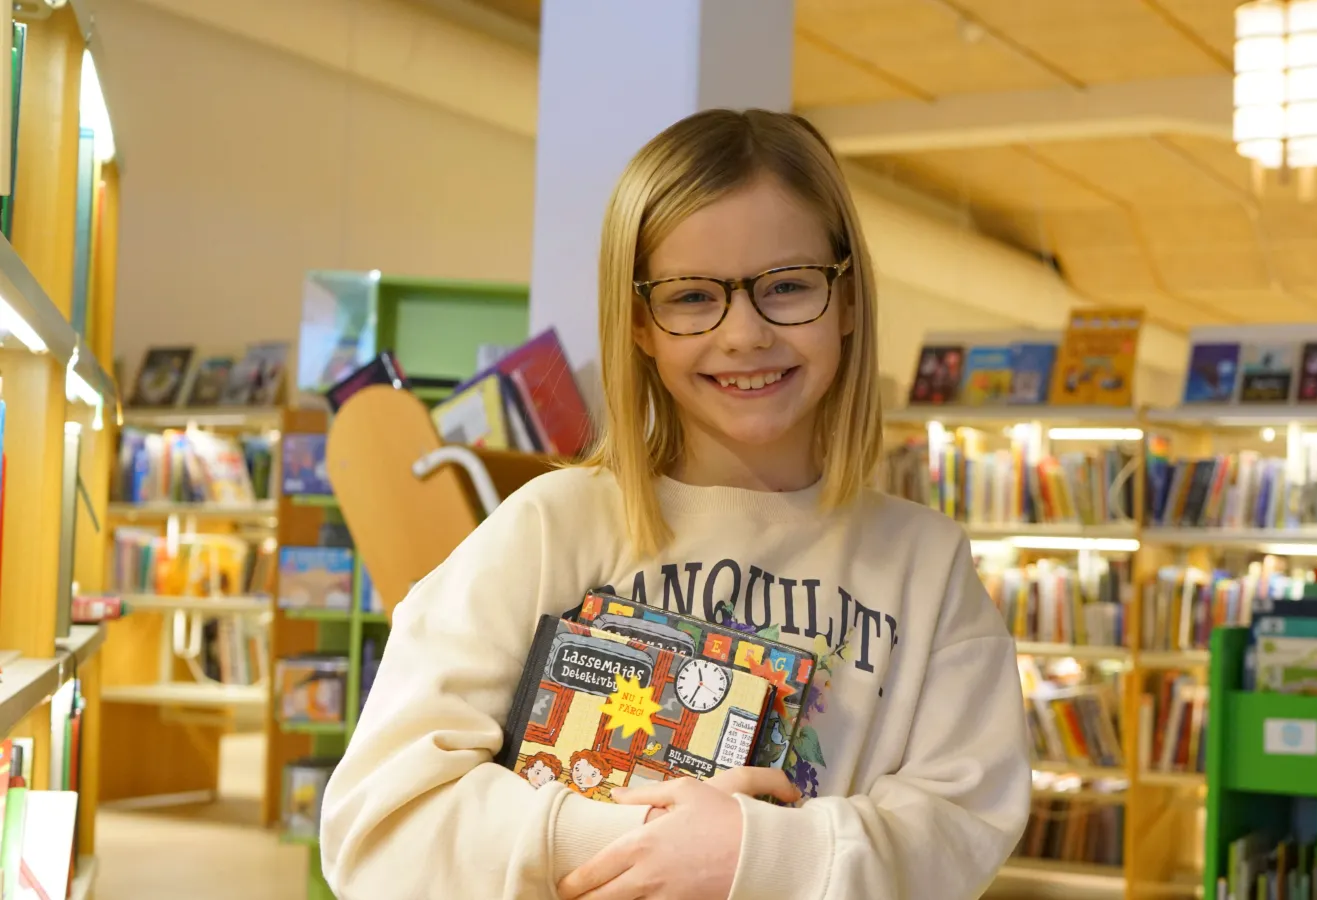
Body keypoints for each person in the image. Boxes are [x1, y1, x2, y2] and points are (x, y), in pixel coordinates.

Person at [318, 108, 1032, 899]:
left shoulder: (928, 568)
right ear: (639, 324)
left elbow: (957, 832)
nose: (744, 335)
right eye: (692, 297)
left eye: (788, 287)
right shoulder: (549, 527)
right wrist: (641, 841)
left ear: (849, 299)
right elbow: (380, 828)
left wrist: (752, 856)